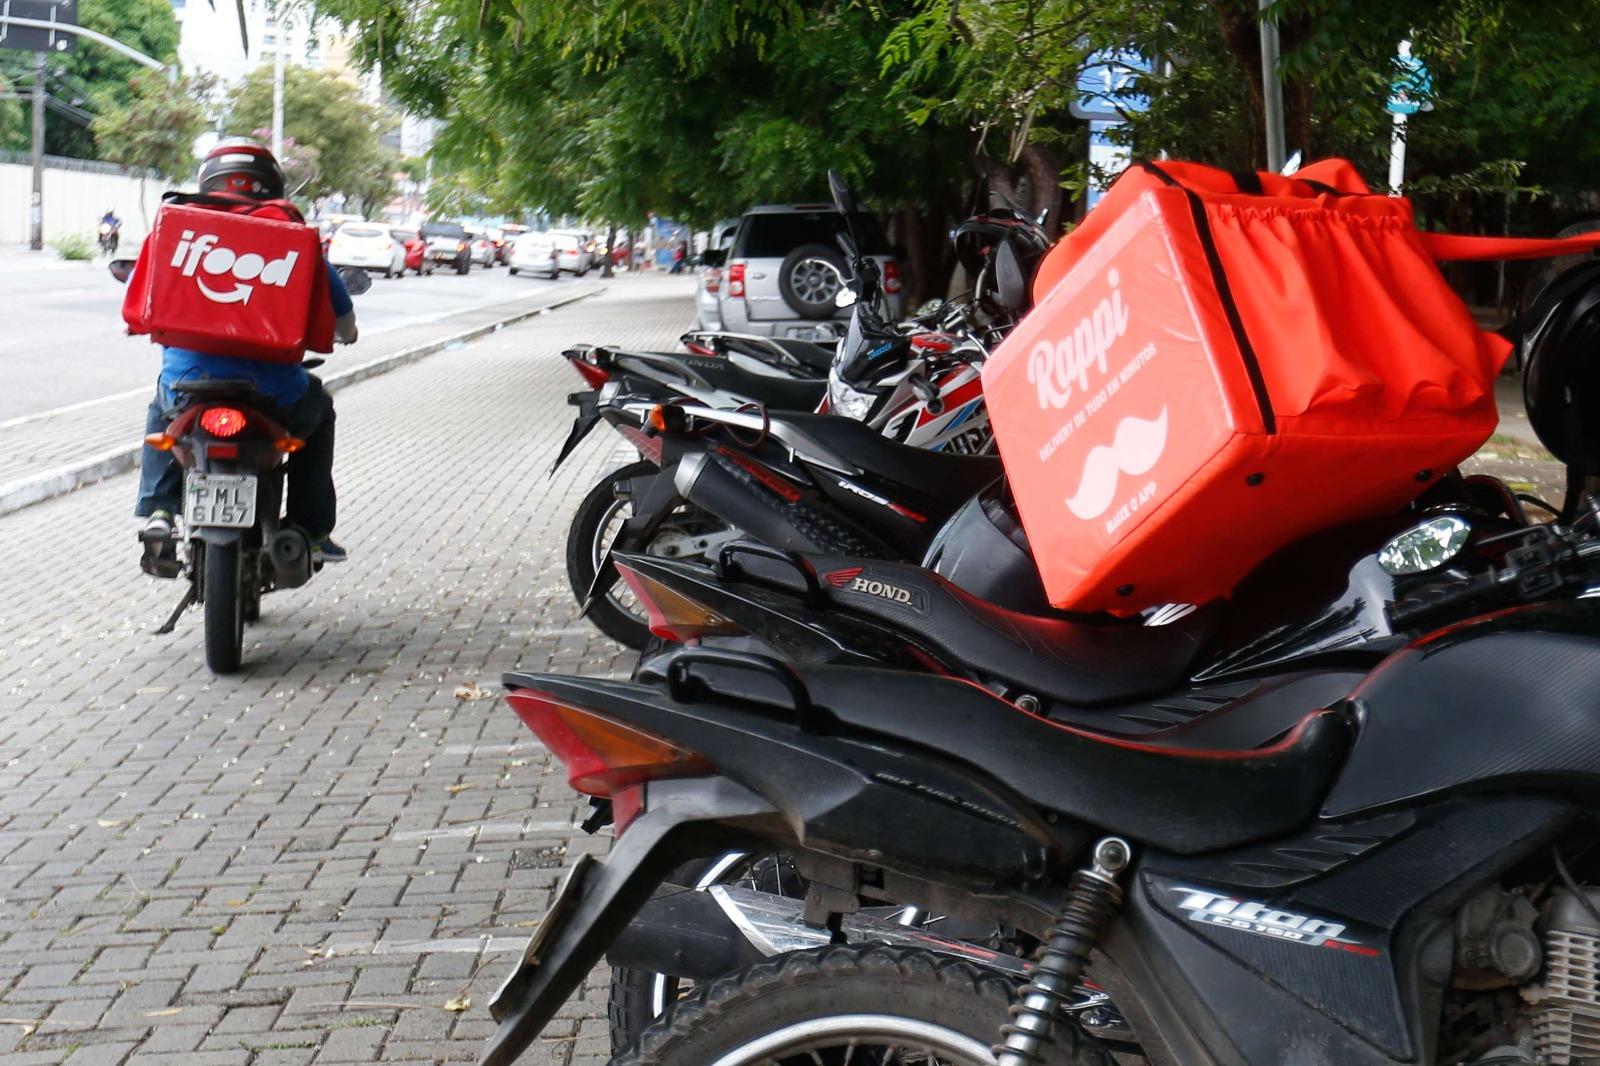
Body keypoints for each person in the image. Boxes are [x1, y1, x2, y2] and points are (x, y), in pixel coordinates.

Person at [135, 140, 358, 564]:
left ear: (208, 181)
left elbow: (139, 299)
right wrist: (348, 333)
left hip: (189, 388)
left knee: (161, 405)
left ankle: (159, 509)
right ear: (271, 186)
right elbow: (343, 317)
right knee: (321, 409)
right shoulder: (295, 240)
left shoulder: (178, 233)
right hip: (275, 396)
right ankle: (310, 530)